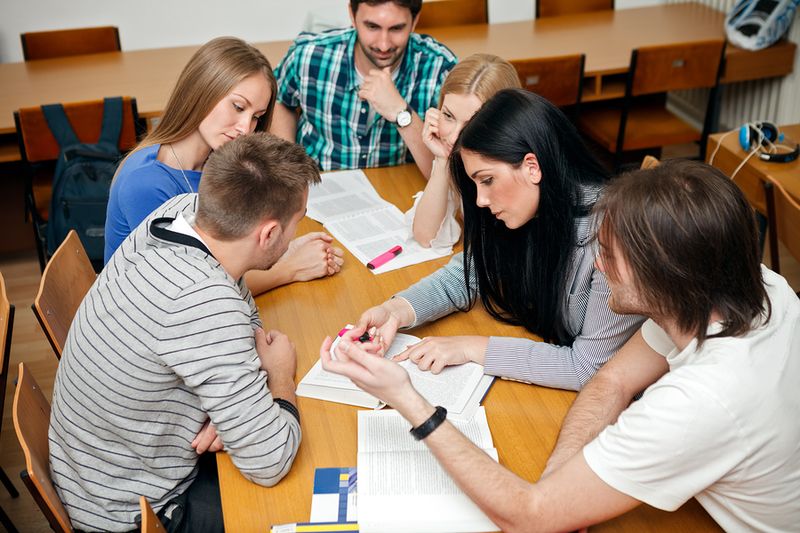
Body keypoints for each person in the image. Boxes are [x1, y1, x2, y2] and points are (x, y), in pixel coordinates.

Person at [322, 159, 800, 531]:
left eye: (609, 257)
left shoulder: (703, 399)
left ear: (663, 277)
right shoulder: (750, 285)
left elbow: (527, 518)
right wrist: (562, 483)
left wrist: (407, 398)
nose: (597, 268)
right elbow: (611, 379)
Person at [50, 133, 315, 532]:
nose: (296, 234)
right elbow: (269, 459)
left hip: (94, 469)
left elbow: (241, 317)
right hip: (134, 513)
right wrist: (279, 376)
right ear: (268, 234)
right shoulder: (203, 300)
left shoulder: (182, 214)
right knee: (305, 503)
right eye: (298, 221)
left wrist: (230, 413)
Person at [357, 89, 643, 391]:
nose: (480, 200)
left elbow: (587, 368)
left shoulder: (613, 237)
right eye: (476, 184)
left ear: (532, 167)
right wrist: (395, 311)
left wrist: (470, 347)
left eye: (488, 180)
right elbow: (468, 274)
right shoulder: (527, 211)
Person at [104, 36, 343, 293]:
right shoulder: (147, 185)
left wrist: (283, 250)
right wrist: (290, 266)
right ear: (202, 91)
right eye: (238, 107)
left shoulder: (213, 159)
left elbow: (224, 256)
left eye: (256, 118)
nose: (245, 128)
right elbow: (192, 287)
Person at [271, 0, 457, 175]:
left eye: (397, 28)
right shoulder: (308, 54)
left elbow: (446, 174)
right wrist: (289, 167)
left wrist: (401, 113)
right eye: (372, 26)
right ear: (352, 15)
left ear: (414, 21)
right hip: (317, 182)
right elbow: (281, 101)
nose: (383, 44)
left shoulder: (440, 69)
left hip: (396, 188)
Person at [409, 53, 521, 249]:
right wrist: (442, 160)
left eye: (472, 124)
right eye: (448, 115)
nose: (453, 138)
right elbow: (426, 236)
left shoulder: (512, 169)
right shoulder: (460, 159)